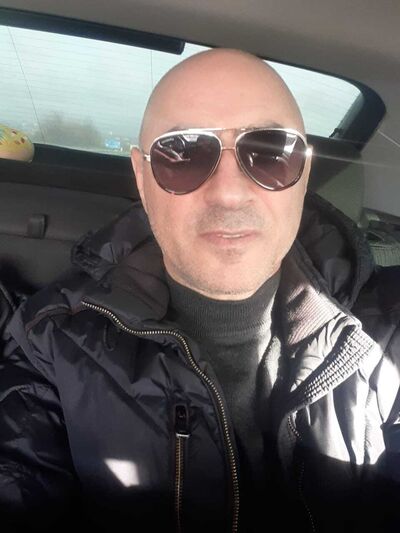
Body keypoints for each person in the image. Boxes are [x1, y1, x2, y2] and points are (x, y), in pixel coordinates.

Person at [0, 49, 399, 533]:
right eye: (183, 154)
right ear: (142, 178)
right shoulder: (51, 343)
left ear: (305, 173)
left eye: (270, 151)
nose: (229, 193)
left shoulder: (385, 333)